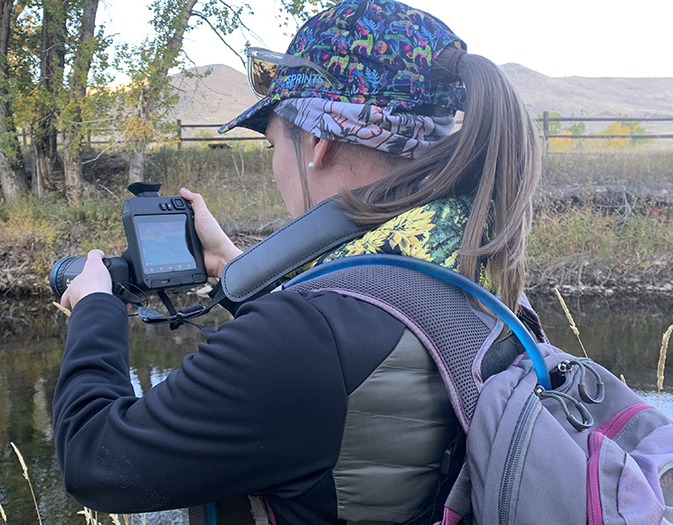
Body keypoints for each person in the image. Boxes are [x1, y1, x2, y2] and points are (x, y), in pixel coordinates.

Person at [53, 0, 541, 523]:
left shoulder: (306, 339)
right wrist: (234, 266)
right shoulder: (472, 268)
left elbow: (96, 462)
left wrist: (95, 310)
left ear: (318, 144)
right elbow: (350, 357)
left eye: (273, 139)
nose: (274, 162)